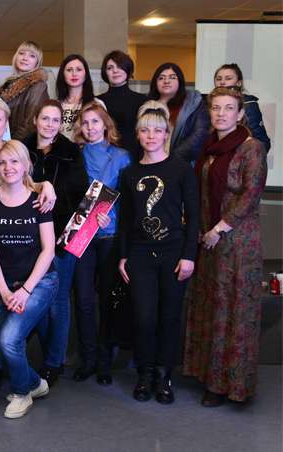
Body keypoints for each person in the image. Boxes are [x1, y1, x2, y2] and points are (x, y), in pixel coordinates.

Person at [184, 87, 268, 407]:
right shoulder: (209, 148)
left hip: (238, 243)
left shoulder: (251, 148)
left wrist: (219, 228)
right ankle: (209, 378)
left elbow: (250, 195)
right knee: (212, 308)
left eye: (229, 108)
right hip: (209, 241)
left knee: (234, 312)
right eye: (216, 108)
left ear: (240, 113)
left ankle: (231, 386)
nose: (221, 114)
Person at [118, 101, 199, 404]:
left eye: (157, 130)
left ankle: (164, 376)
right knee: (144, 317)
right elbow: (126, 218)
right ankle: (145, 374)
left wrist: (189, 255)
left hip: (174, 253)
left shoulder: (181, 170)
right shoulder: (129, 173)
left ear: (166, 134)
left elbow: (194, 216)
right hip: (140, 254)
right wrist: (124, 255)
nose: (151, 135)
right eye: (145, 130)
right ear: (137, 134)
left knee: (169, 317)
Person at [0, 140, 58, 419]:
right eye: (2, 162)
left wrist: (25, 290)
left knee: (9, 339)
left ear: (26, 165)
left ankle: (22, 393)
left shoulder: (39, 198)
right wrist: (3, 290)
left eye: (14, 161)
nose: (8, 167)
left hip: (39, 282)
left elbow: (48, 250)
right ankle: (35, 383)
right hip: (5, 283)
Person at [26, 99, 89, 386]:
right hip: (28, 236)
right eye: (45, 118)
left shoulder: (71, 152)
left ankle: (54, 362)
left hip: (63, 234)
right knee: (35, 298)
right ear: (35, 120)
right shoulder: (22, 147)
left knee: (58, 301)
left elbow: (80, 195)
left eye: (55, 120)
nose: (50, 125)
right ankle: (46, 353)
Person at [71, 102, 131, 384]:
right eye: (85, 123)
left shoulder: (121, 157)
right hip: (81, 237)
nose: (90, 127)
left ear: (106, 125)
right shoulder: (75, 155)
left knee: (107, 300)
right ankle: (88, 358)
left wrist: (112, 214)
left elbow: (129, 199)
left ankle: (105, 361)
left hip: (109, 235)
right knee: (83, 301)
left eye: (95, 122)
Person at [147, 62, 209, 163]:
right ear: (155, 82)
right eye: (161, 78)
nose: (166, 81)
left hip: (182, 162)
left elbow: (199, 134)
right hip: (150, 161)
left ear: (180, 81)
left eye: (172, 77)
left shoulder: (192, 103)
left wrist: (173, 158)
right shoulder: (147, 105)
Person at [97, 50, 147, 160]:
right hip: (104, 158)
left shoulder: (142, 101)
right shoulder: (97, 101)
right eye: (110, 68)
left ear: (128, 69)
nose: (115, 71)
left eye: (119, 66)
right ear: (105, 73)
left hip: (134, 158)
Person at [0, 41, 49, 141]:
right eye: (21, 53)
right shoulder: (8, 84)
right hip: (3, 141)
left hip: (21, 144)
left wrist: (14, 142)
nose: (25, 58)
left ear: (37, 62)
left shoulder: (38, 86)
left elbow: (30, 122)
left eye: (32, 56)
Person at [213, 63, 271, 152]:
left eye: (228, 78)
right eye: (218, 79)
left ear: (239, 83)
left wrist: (242, 154)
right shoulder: (208, 104)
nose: (222, 82)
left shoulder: (248, 104)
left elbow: (263, 143)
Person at [55, 54, 103, 141]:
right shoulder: (56, 105)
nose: (74, 74)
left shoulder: (96, 103)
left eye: (79, 69)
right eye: (69, 70)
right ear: (63, 74)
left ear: (86, 74)